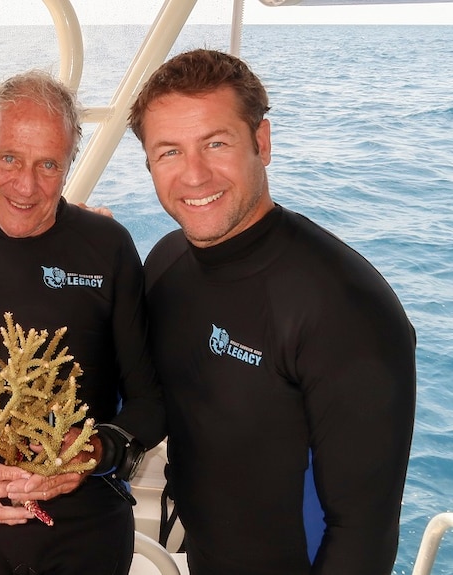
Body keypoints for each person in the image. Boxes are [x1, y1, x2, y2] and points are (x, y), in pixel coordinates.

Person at [129, 48, 416, 575]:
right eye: (169, 152)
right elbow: (145, 392)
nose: (193, 175)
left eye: (216, 143)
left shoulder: (345, 307)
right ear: (149, 161)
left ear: (261, 142)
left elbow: (364, 532)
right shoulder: (167, 263)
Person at [0, 70, 167, 575]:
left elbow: (150, 402)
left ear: (69, 163)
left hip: (87, 525)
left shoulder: (108, 247)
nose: (26, 186)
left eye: (49, 164)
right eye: (8, 158)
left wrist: (96, 450)